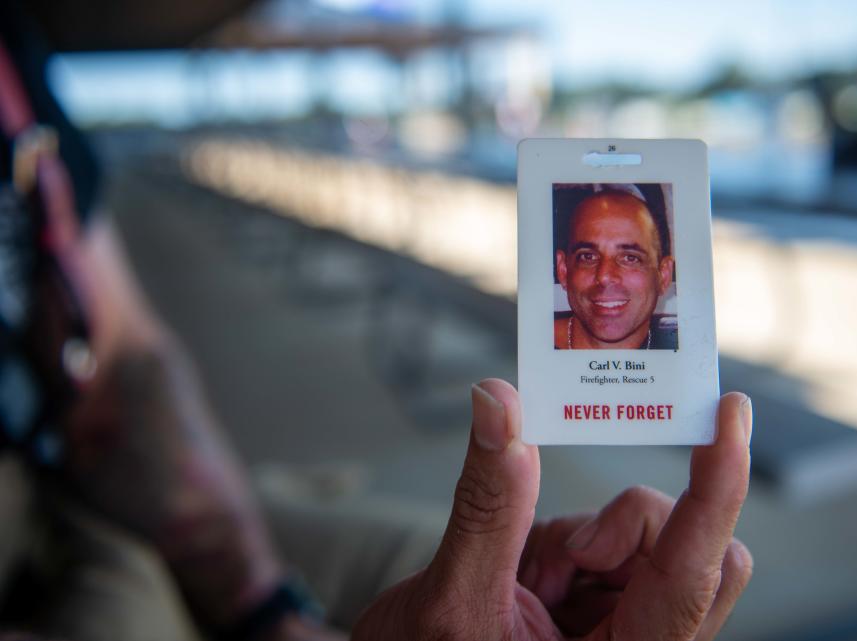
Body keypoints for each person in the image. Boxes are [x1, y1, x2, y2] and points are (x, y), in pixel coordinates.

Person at [0, 3, 752, 640]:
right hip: (37, 524)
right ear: (563, 268)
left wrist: (268, 603)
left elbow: (126, 358)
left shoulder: (16, 77)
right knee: (139, 600)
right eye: (586, 253)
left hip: (73, 456)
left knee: (482, 567)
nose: (608, 279)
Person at [554, 184, 678, 350]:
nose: (605, 276)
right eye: (588, 256)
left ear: (663, 275)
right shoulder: (525, 348)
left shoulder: (684, 358)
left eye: (630, 258)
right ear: (563, 270)